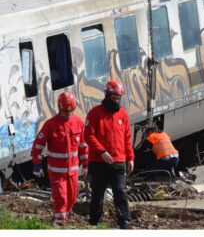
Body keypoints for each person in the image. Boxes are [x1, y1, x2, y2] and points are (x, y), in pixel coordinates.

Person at [31, 91, 88, 226]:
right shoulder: (50, 125)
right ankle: (59, 225)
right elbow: (38, 145)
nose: (68, 114)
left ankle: (63, 219)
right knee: (61, 198)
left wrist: (85, 164)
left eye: (71, 111)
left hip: (73, 172)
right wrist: (37, 164)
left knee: (72, 198)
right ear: (59, 107)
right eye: (65, 112)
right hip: (57, 173)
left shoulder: (78, 122)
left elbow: (83, 145)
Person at [84, 80, 134, 229]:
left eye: (119, 98)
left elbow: (127, 138)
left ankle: (124, 220)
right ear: (106, 95)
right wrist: (102, 151)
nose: (117, 101)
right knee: (98, 193)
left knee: (120, 191)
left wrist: (130, 157)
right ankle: (95, 222)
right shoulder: (94, 113)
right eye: (114, 98)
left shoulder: (123, 115)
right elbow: (88, 136)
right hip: (99, 162)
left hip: (118, 161)